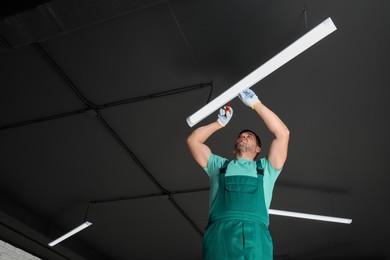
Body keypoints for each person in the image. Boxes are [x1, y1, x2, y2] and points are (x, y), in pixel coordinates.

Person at [186, 88, 290, 259]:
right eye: (240, 136)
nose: (243, 136)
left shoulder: (266, 169)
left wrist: (256, 104)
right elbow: (193, 141)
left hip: (256, 235)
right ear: (234, 146)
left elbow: (283, 134)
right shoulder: (218, 166)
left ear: (258, 149)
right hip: (220, 234)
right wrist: (219, 123)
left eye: (249, 136)